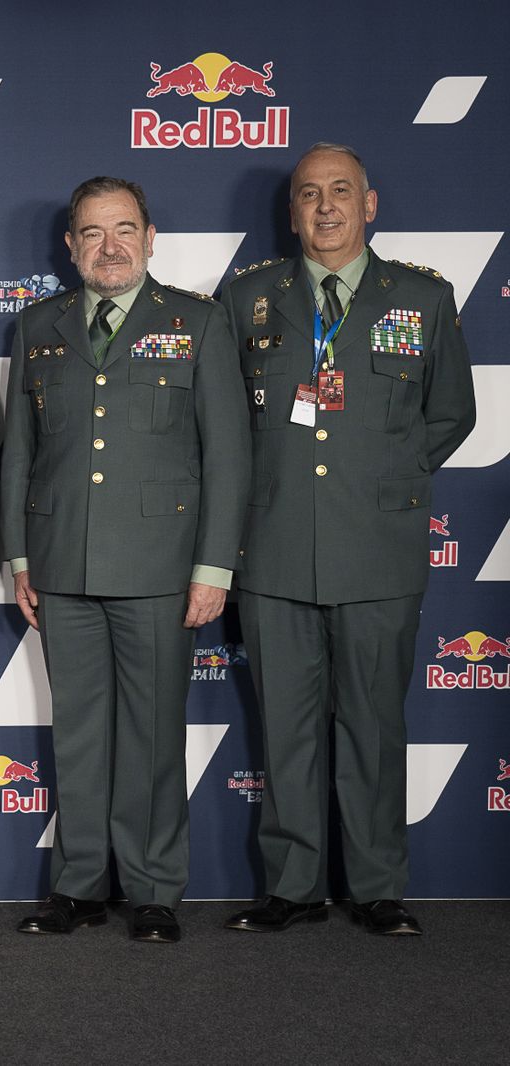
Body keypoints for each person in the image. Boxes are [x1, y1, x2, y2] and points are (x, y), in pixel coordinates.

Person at [217, 144, 476, 936]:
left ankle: (375, 887)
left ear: (369, 205)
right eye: (307, 195)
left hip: (379, 550)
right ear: (290, 212)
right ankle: (292, 887)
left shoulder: (423, 299)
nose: (324, 207)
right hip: (275, 547)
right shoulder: (251, 298)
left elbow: (451, 413)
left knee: (372, 725)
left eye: (340, 192)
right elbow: (225, 425)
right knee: (286, 728)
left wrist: (384, 476)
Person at [0, 176, 249, 943]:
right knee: (77, 730)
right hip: (62, 562)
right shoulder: (38, 325)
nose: (109, 247)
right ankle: (77, 887)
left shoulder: (198, 323)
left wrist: (213, 568)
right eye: (92, 233)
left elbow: (229, 455)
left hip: (160, 568)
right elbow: (19, 453)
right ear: (70, 246)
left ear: (149, 238)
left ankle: (151, 891)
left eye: (124, 230)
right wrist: (17, 556)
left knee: (150, 734)